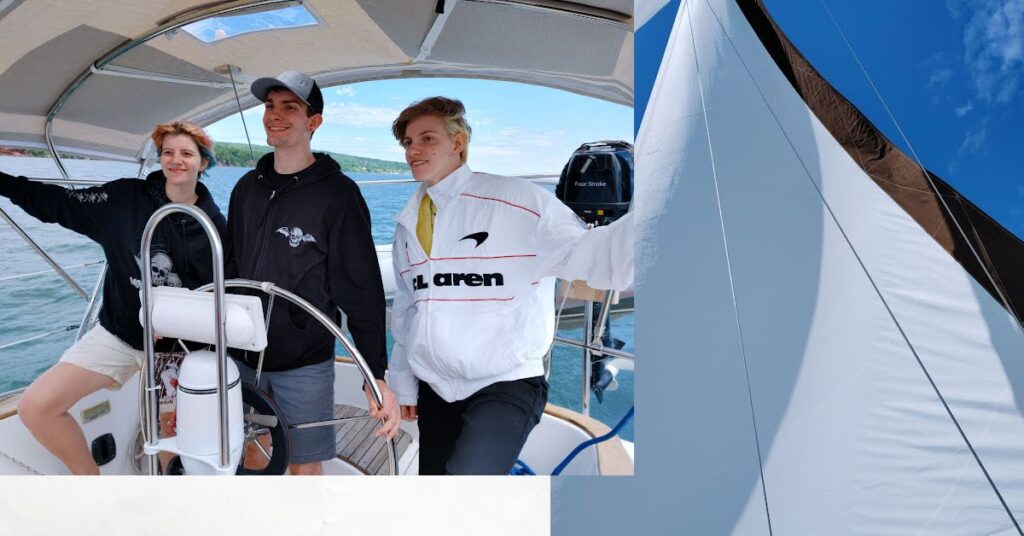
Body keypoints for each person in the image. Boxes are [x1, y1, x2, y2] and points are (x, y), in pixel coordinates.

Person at [388, 97, 635, 475]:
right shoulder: (408, 223)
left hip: (505, 381)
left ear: (458, 143)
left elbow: (594, 257)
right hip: (437, 387)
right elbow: (408, 309)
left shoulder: (518, 202)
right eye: (408, 142)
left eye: (427, 138)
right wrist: (404, 385)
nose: (414, 150)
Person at [0, 121, 225, 475]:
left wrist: (173, 322)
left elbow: (222, 299)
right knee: (37, 407)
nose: (176, 160)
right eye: (168, 152)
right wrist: (5, 182)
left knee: (170, 442)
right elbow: (59, 204)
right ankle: (93, 485)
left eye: (186, 153)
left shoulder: (214, 229)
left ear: (204, 163)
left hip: (179, 350)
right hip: (119, 335)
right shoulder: (123, 200)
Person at [225, 70, 399, 475]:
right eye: (269, 106)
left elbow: (361, 289)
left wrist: (374, 372)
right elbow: (231, 267)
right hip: (243, 354)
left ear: (313, 122)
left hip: (303, 359)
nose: (274, 115)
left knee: (304, 464)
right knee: (251, 451)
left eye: (290, 107)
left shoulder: (338, 195)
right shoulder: (245, 188)